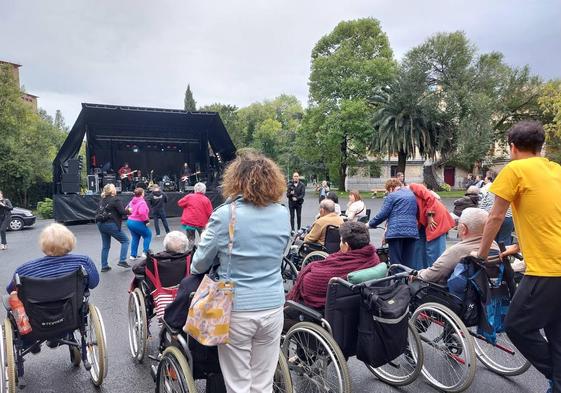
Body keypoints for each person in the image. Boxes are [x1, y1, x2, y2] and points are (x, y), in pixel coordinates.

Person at [191, 149, 290, 393]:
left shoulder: (225, 215)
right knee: (263, 382)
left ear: (235, 181)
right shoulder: (283, 212)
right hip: (274, 305)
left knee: (238, 384)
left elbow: (199, 264)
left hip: (236, 309)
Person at [475, 121, 561, 393]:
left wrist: (481, 252)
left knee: (517, 326)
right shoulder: (555, 169)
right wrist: (518, 247)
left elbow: (496, 216)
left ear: (512, 147)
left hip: (549, 268)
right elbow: (546, 216)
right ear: (541, 146)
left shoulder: (514, 169)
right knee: (556, 331)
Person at [288, 221, 380, 309]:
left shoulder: (340, 269)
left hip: (329, 310)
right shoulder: (373, 258)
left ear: (346, 246)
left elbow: (308, 284)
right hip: (358, 305)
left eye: (341, 241)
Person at [415, 208, 500, 284]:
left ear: (463, 229)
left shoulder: (458, 250)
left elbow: (431, 275)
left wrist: (417, 273)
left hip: (461, 297)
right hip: (491, 292)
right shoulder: (494, 245)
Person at [6, 223, 99, 293]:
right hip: (73, 311)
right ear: (71, 241)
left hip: (38, 314)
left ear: (42, 244)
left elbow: (11, 291)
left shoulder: (23, 270)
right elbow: (93, 284)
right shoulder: (83, 262)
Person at [369, 178, 418, 268]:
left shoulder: (392, 196)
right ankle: (406, 280)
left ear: (391, 188)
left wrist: (370, 224)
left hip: (396, 232)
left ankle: (398, 281)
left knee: (396, 262)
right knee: (408, 262)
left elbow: (383, 214)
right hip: (412, 232)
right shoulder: (412, 195)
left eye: (388, 190)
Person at [410, 183, 455, 269]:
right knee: (419, 246)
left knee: (434, 249)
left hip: (435, 218)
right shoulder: (402, 196)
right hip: (424, 221)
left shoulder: (414, 186)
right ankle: (422, 273)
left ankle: (436, 275)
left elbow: (430, 199)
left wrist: (430, 216)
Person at [97, 183, 130, 271]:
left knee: (105, 246)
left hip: (100, 224)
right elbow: (122, 212)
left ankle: (104, 266)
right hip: (110, 224)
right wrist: (129, 211)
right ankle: (122, 260)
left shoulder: (102, 200)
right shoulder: (116, 199)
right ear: (112, 190)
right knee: (125, 241)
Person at [127, 188, 152, 260]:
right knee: (148, 235)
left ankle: (133, 255)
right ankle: (145, 252)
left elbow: (127, 209)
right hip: (138, 222)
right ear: (142, 194)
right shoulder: (142, 202)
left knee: (135, 237)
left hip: (130, 221)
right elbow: (142, 213)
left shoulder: (132, 201)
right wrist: (146, 221)